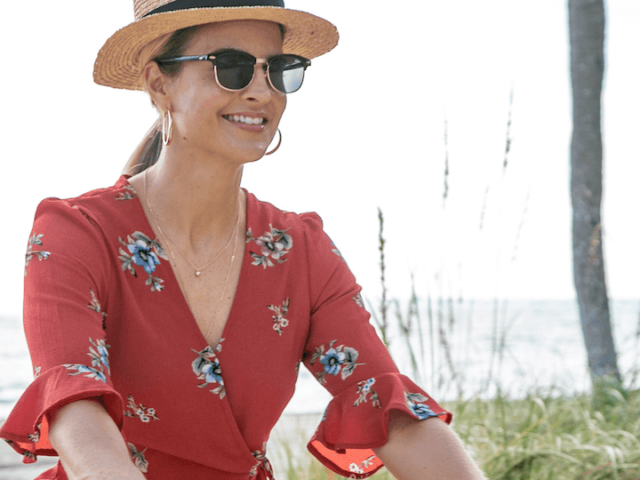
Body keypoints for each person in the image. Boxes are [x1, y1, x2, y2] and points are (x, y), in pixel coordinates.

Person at [0, 1, 486, 479]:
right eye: (230, 66)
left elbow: (386, 407)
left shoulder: (301, 249)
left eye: (278, 69)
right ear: (158, 82)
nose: (261, 91)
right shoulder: (76, 233)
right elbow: (75, 407)